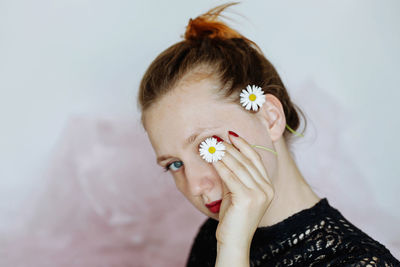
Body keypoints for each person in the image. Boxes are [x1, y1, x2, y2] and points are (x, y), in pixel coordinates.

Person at [137, 3, 399, 266]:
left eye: (208, 146)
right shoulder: (212, 238)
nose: (195, 186)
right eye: (175, 164)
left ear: (269, 117)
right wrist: (230, 245)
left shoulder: (360, 262)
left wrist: (233, 248)